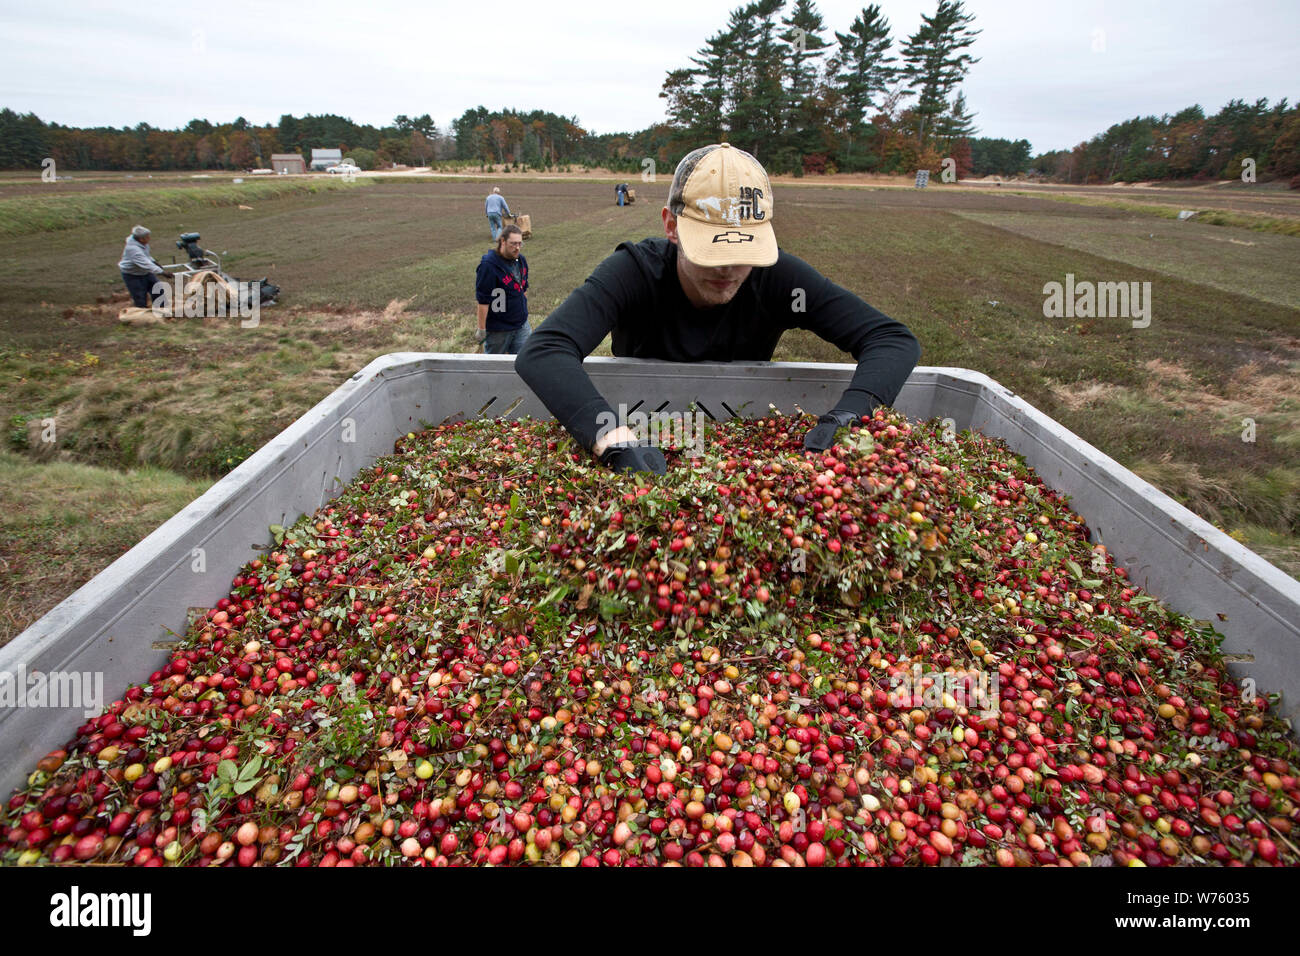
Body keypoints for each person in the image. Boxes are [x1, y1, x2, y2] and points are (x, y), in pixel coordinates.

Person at [515, 142, 921, 474]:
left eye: (743, 249)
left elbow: (891, 339)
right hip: (639, 418)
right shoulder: (634, 272)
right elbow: (545, 351)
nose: (727, 267)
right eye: (711, 249)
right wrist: (614, 442)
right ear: (671, 227)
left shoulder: (779, 278)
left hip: (743, 432)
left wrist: (847, 417)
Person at [474, 224, 530, 354]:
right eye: (513, 244)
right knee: (494, 367)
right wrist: (482, 329)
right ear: (503, 241)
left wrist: (523, 312)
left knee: (525, 362)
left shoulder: (521, 261)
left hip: (521, 325)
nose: (517, 248)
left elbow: (524, 289)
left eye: (520, 244)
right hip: (499, 331)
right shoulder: (489, 266)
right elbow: (483, 301)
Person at [117, 225, 167, 308]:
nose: (149, 238)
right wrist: (162, 272)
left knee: (158, 289)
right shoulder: (132, 249)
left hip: (145, 272)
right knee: (140, 296)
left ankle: (161, 310)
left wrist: (154, 262)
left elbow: (146, 256)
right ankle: (142, 314)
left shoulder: (143, 244)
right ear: (141, 239)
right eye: (147, 237)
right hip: (133, 275)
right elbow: (145, 263)